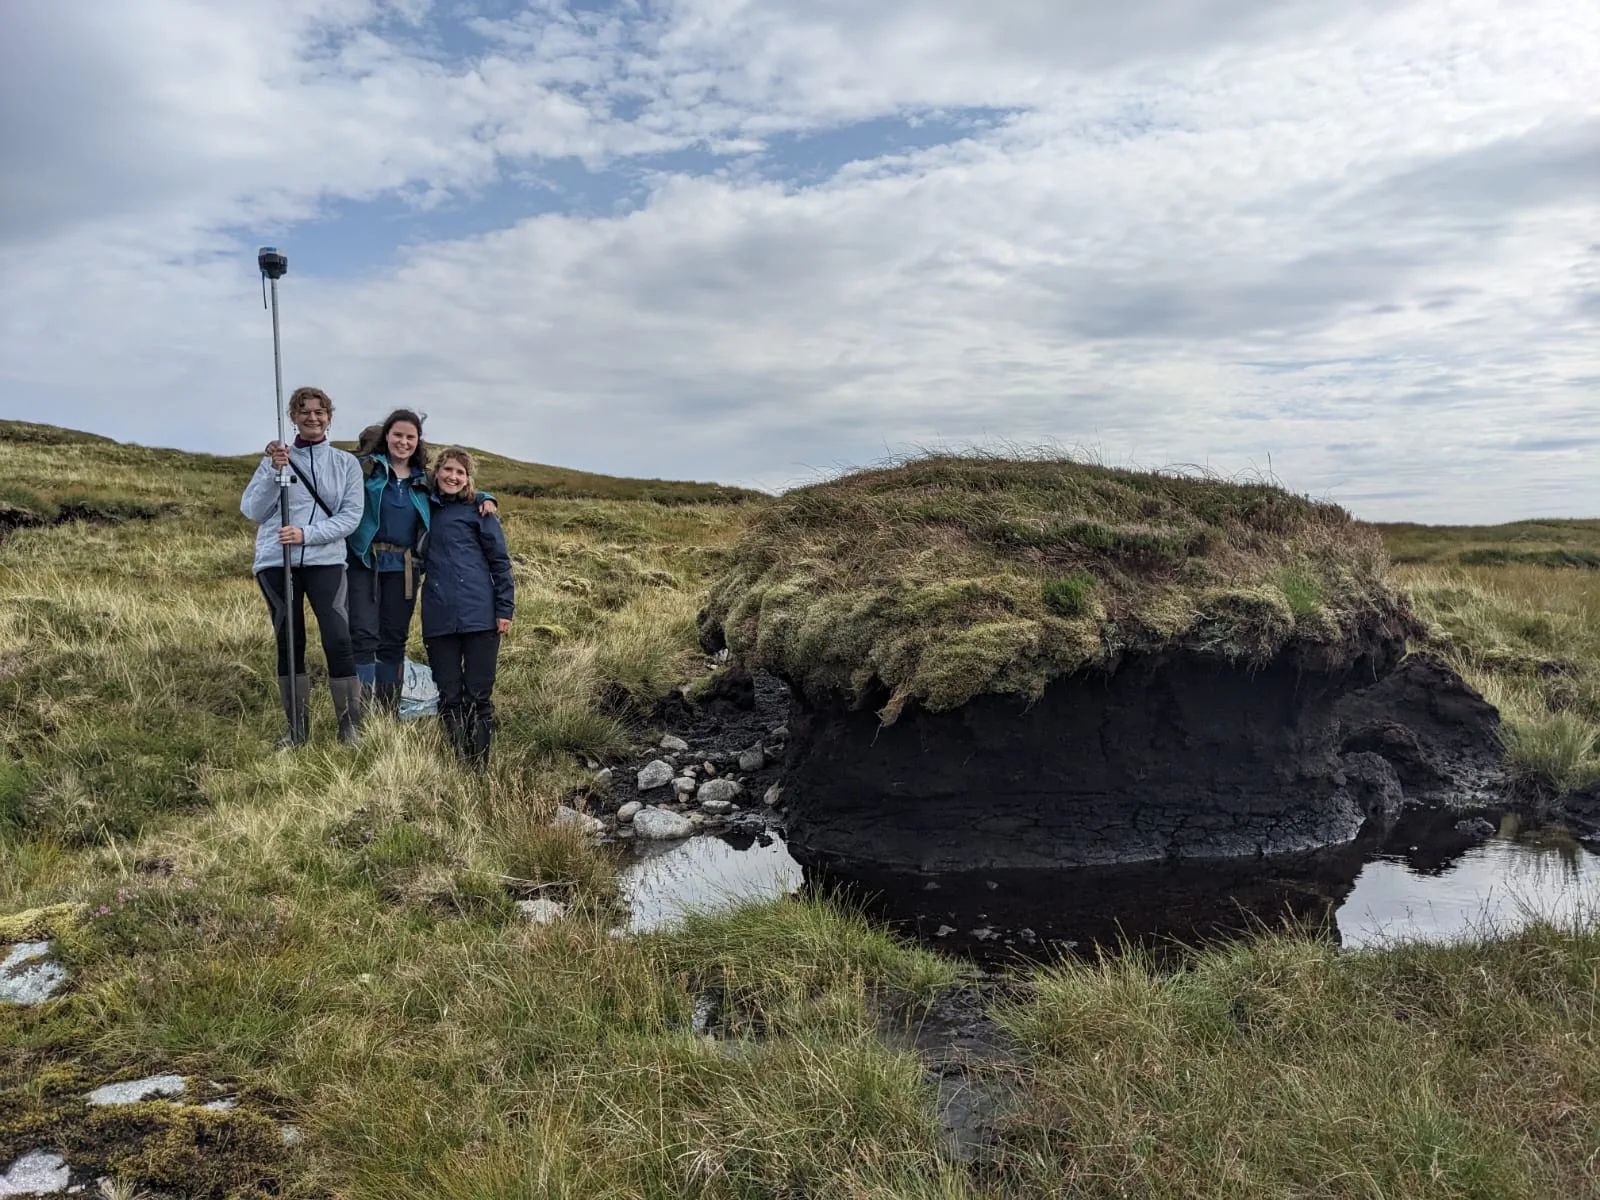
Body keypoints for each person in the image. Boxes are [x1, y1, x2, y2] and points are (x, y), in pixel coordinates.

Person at [346, 411, 499, 712]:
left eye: (410, 437)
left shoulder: (423, 480)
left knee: (394, 640)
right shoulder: (365, 469)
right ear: (386, 436)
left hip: (404, 568)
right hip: (365, 563)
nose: (403, 442)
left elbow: (456, 486)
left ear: (418, 442)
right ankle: (359, 714)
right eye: (398, 435)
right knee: (363, 636)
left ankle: (386, 713)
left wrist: (487, 496)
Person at [239, 385, 365, 746]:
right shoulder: (275, 459)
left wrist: (306, 534)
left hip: (325, 560)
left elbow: (350, 517)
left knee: (339, 638)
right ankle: (297, 731)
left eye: (319, 411)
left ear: (329, 417)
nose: (313, 418)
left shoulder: (346, 464)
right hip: (277, 562)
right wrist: (271, 471)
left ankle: (349, 727)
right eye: (304, 411)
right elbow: (253, 510)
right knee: (289, 640)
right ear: (292, 417)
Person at [420, 448, 514, 767]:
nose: (453, 477)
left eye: (461, 472)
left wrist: (505, 609)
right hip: (438, 617)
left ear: (468, 478)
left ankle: (479, 767)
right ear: (436, 472)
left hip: (481, 617)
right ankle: (461, 763)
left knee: (479, 696)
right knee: (449, 696)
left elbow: (500, 562)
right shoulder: (423, 506)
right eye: (447, 469)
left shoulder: (481, 511)